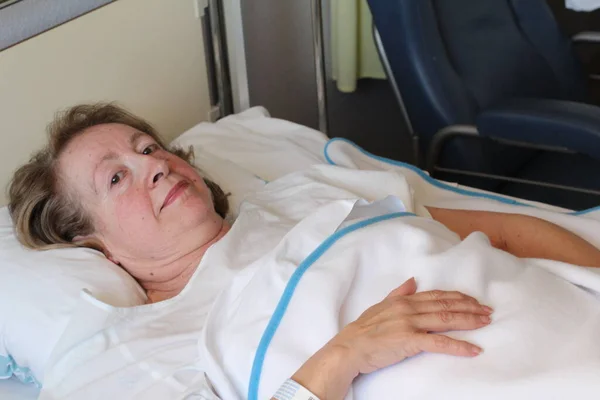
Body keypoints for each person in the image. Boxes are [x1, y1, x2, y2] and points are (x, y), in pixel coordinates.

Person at [8, 104, 600, 400]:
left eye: (150, 148)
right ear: (94, 245)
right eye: (117, 179)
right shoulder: (142, 349)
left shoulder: (307, 193)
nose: (155, 165)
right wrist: (343, 355)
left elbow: (504, 234)